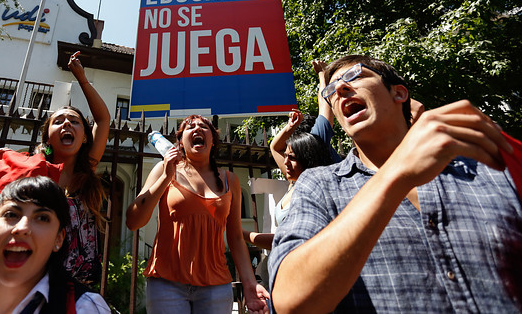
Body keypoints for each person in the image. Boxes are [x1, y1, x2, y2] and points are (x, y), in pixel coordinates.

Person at [269, 55, 522, 313]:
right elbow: (291, 301)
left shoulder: (490, 168)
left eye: (355, 75)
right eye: (331, 90)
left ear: (399, 93)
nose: (341, 89)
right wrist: (396, 172)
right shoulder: (318, 186)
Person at [126, 115, 270, 314]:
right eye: (189, 127)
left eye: (203, 126)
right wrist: (166, 177)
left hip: (216, 287)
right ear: (180, 142)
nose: (197, 129)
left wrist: (250, 284)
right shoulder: (164, 170)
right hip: (167, 284)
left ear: (213, 141)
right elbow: (133, 221)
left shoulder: (231, 180)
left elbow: (236, 238)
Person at [0, 176, 110, 313]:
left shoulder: (84, 308)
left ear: (59, 239)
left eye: (42, 218)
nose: (22, 228)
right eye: (11, 214)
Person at [243, 60, 337, 251]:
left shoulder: (316, 174)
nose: (285, 162)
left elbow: (325, 104)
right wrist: (288, 128)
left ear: (308, 154)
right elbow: (283, 240)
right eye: (286, 155)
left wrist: (322, 75)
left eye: (292, 156)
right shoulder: (294, 178)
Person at [36, 51, 111, 287]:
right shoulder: (34, 172)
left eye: (75, 121)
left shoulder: (87, 170)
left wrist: (82, 78)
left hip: (79, 283)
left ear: (85, 138)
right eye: (58, 121)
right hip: (37, 278)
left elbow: (103, 120)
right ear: (47, 139)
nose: (66, 123)